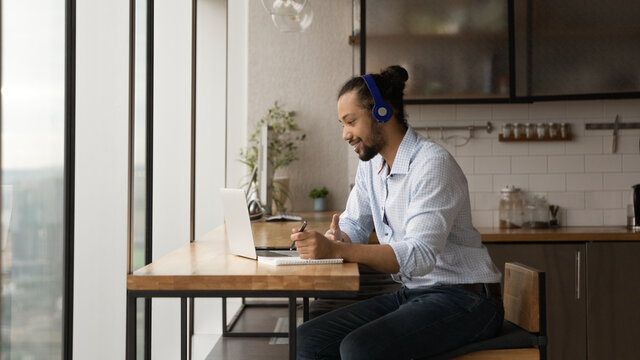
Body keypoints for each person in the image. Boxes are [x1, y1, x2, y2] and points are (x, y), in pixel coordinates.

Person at [291, 65, 504, 360]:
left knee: (360, 349)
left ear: (382, 113)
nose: (345, 134)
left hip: (465, 298)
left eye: (350, 122)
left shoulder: (432, 164)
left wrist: (341, 249)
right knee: (306, 339)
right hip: (415, 294)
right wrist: (338, 238)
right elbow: (354, 222)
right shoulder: (370, 166)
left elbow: (418, 256)